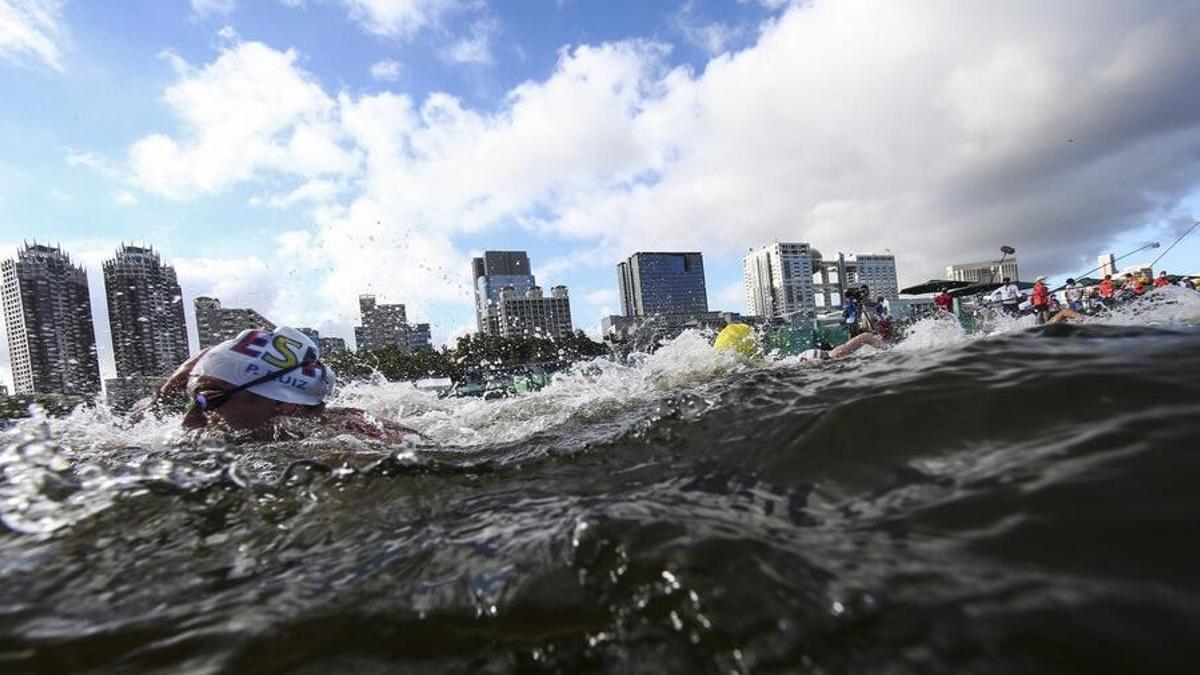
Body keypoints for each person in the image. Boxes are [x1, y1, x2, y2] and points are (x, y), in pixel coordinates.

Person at [143, 327, 420, 443]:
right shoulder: (243, 408)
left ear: (283, 404)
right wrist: (159, 399)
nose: (188, 421)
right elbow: (203, 358)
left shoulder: (349, 435)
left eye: (209, 402)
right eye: (192, 401)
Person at [797, 333, 887, 362]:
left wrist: (885, 349)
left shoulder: (837, 353)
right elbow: (865, 336)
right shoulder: (836, 354)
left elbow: (865, 337)